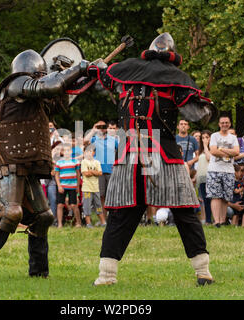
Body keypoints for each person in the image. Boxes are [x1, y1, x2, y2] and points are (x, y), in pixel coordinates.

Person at [87, 32, 216, 286]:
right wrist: (207, 108)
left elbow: (102, 81)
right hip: (164, 155)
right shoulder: (174, 80)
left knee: (122, 216)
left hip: (128, 157)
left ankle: (106, 275)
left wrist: (97, 68)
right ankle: (203, 272)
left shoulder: (124, 75)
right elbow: (196, 116)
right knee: (185, 214)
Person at [0, 47, 89, 284]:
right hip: (7, 162)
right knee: (10, 213)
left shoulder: (35, 98)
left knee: (43, 217)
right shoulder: (15, 84)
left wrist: (83, 74)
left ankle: (38, 273)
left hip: (25, 164)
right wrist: (76, 68)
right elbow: (48, 86)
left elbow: (59, 99)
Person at [206, 115, 240, 227]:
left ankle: (222, 220)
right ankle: (216, 221)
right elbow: (213, 151)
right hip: (214, 169)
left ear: (230, 124)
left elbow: (236, 152)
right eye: (222, 123)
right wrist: (229, 152)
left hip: (229, 171)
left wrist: (222, 149)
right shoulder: (214, 136)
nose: (224, 124)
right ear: (219, 124)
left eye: (226, 122)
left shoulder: (233, 138)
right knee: (215, 196)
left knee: (226, 197)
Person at [83, 120, 118, 218]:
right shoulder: (95, 139)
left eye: (103, 127)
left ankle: (113, 218)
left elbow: (121, 152)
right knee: (101, 196)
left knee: (112, 196)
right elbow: (85, 141)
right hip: (99, 171)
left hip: (111, 170)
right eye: (100, 127)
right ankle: (104, 219)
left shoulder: (113, 140)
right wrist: (93, 130)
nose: (101, 129)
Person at [55, 144, 82, 228]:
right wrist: (59, 185)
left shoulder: (75, 162)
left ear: (71, 152)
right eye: (65, 151)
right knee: (60, 205)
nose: (67, 152)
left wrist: (77, 186)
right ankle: (60, 224)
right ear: (62, 152)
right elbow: (56, 175)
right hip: (62, 186)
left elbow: (78, 174)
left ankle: (78, 222)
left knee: (74, 205)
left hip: (73, 186)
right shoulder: (59, 162)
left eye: (68, 150)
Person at [81, 146, 105, 228]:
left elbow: (100, 173)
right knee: (87, 206)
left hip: (95, 188)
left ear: (93, 153)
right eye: (86, 152)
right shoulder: (84, 162)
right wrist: (95, 172)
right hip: (87, 189)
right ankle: (88, 223)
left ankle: (103, 222)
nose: (88, 153)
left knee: (98, 205)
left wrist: (91, 171)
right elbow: (86, 174)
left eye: (90, 151)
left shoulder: (97, 162)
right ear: (84, 153)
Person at [196, 130, 212, 225]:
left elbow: (209, 158)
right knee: (204, 200)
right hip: (201, 178)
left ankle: (209, 220)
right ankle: (206, 220)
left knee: (209, 199)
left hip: (210, 177)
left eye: (207, 137)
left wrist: (206, 145)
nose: (204, 139)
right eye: (203, 138)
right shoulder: (201, 150)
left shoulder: (211, 149)